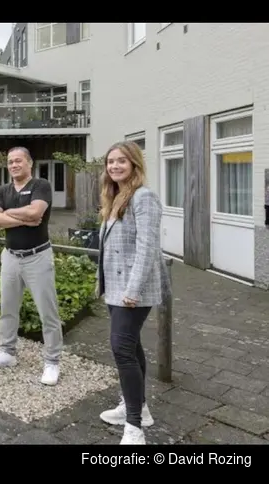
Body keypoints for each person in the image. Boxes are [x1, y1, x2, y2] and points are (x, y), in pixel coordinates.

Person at [96, 141, 168, 445]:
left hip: (132, 290)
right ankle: (139, 407)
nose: (114, 166)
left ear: (134, 164)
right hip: (115, 288)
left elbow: (147, 248)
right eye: (110, 162)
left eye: (121, 161)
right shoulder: (114, 197)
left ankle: (135, 427)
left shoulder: (143, 197)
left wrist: (133, 290)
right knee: (132, 347)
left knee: (122, 349)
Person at [0, 147, 63, 387]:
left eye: (18, 161)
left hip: (37, 256)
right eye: (10, 162)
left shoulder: (41, 185)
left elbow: (36, 211)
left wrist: (8, 213)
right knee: (7, 308)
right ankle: (7, 352)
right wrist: (22, 217)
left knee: (47, 312)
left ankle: (52, 361)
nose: (13, 165)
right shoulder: (2, 190)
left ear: (29, 163)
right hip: (11, 257)